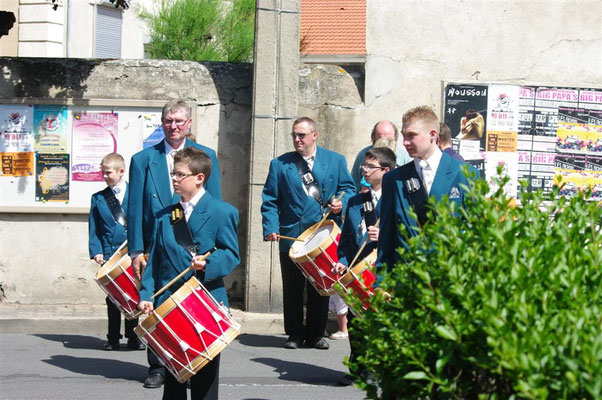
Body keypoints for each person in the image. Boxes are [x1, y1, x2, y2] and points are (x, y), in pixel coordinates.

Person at [127, 99, 222, 388]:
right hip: (157, 243)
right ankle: (158, 366)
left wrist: (210, 247)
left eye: (179, 121)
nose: (174, 126)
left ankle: (191, 362)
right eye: (168, 120)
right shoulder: (143, 159)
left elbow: (213, 202)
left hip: (192, 244)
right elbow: (134, 208)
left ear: (189, 123)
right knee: (155, 302)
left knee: (192, 304)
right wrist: (136, 249)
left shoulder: (206, 156)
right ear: (162, 122)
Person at [137, 147, 239, 400]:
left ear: (199, 177)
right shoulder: (165, 217)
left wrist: (208, 264)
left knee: (204, 378)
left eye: (180, 174)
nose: (174, 179)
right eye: (173, 173)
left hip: (205, 302)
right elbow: (155, 262)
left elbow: (231, 254)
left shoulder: (222, 212)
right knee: (173, 378)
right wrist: (147, 294)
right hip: (171, 303)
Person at [261, 117, 356, 350]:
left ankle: (315, 334)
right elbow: (270, 199)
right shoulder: (279, 164)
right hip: (292, 234)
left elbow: (349, 189)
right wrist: (270, 227)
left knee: (320, 286)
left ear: (314, 135)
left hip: (323, 234)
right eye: (294, 135)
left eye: (301, 135)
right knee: (292, 286)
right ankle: (294, 333)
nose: (297, 140)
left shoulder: (335, 160)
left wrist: (341, 204)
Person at [377, 106, 479, 273]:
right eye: (403, 135)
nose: (405, 142)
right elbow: (386, 237)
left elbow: (475, 231)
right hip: (406, 278)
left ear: (433, 134)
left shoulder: (465, 174)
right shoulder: (393, 179)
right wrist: (382, 281)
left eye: (411, 135)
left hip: (450, 276)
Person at [332, 147, 396, 385]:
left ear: (386, 171)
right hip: (358, 269)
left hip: (383, 270)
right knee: (355, 320)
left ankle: (377, 367)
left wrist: (385, 235)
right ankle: (357, 364)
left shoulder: (396, 200)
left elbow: (408, 235)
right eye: (364, 166)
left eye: (371, 167)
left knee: (380, 321)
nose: (365, 171)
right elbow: (347, 239)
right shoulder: (356, 202)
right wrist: (342, 261)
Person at [88, 153, 144, 351]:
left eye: (108, 173)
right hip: (111, 253)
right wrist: (96, 251)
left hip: (132, 252)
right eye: (102, 172)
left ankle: (133, 336)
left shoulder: (137, 193)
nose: (104, 176)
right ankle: (112, 338)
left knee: (133, 294)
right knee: (113, 297)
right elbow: (93, 228)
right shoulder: (99, 198)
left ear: (121, 172)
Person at [350, 120, 412, 190]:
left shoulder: (405, 157)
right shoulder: (363, 154)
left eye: (388, 138)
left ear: (395, 138)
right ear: (374, 137)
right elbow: (354, 184)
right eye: (380, 138)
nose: (384, 141)